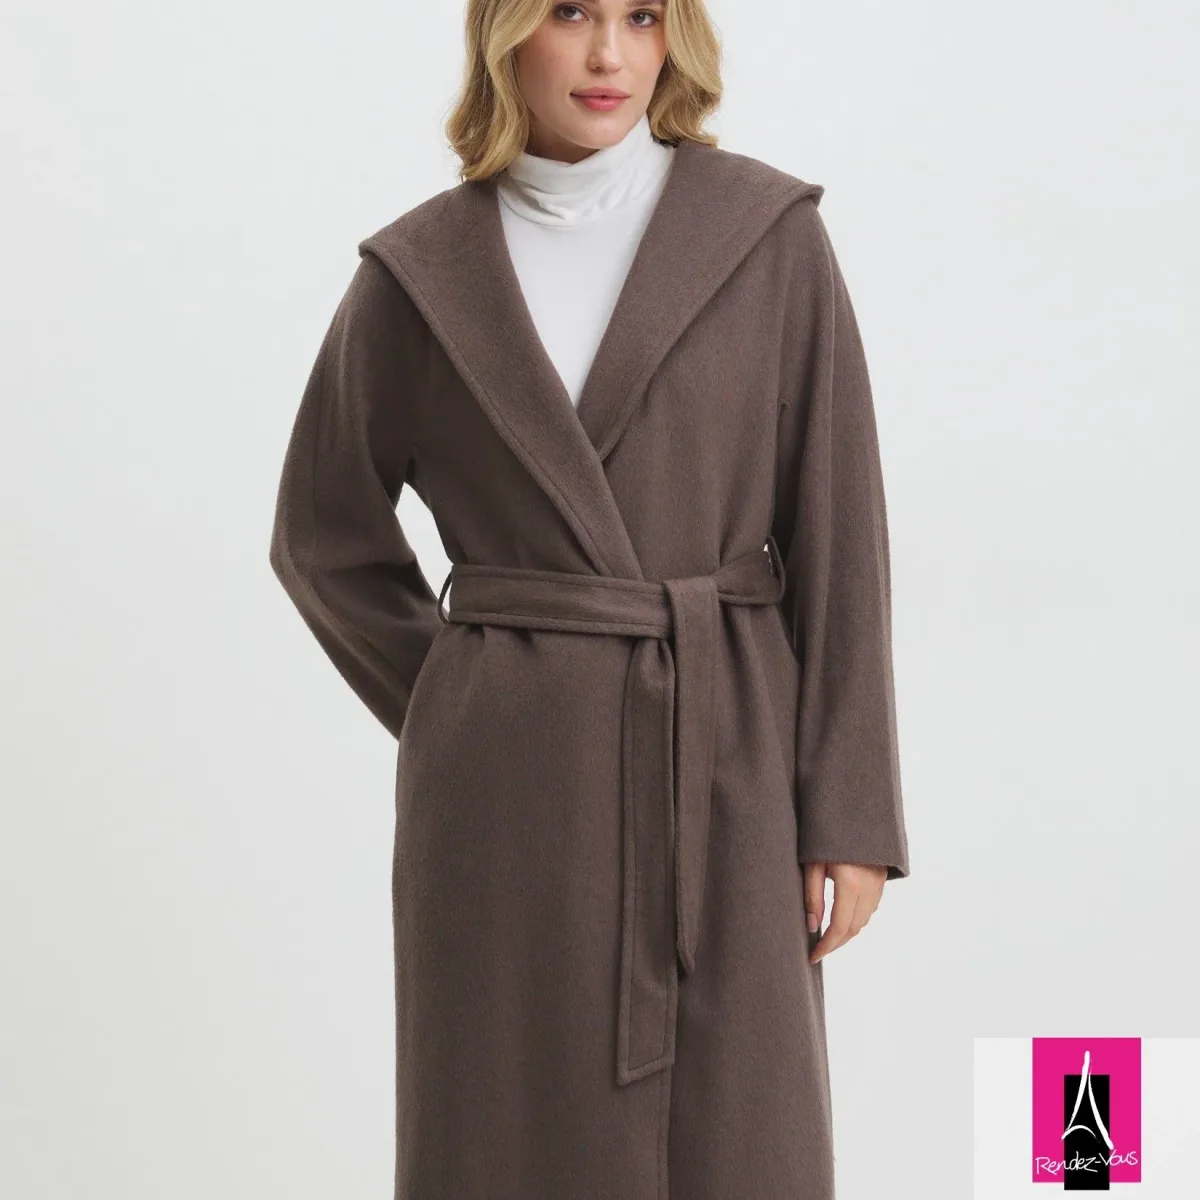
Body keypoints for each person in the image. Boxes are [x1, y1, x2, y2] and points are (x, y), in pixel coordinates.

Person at [268, 0, 912, 1196]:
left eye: (641, 15)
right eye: (570, 12)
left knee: (743, 1136)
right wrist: (469, 694)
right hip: (506, 802)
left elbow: (839, 534)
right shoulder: (418, 276)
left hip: (724, 757)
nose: (610, 53)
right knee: (504, 1133)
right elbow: (322, 534)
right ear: (506, 32)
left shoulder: (768, 238)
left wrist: (851, 808)